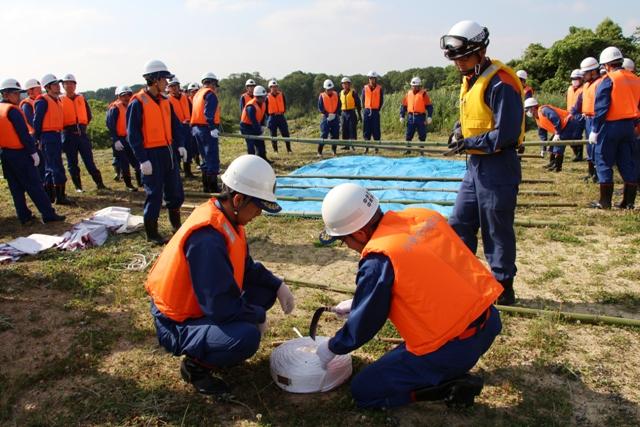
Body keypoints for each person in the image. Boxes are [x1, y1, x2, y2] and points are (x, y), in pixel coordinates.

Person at [315, 183, 502, 409]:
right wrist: (359, 303)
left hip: (454, 348)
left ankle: (444, 387)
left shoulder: (379, 260)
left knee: (364, 389)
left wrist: (333, 347)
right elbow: (426, 276)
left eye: (345, 241)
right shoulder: (423, 216)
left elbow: (364, 325)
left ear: (360, 233)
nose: (348, 246)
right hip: (489, 322)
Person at [145, 154, 295, 396]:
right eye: (258, 206)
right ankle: (195, 366)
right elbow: (221, 305)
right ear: (238, 199)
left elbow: (246, 267)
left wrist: (277, 285)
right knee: (245, 337)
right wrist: (256, 316)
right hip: (176, 322)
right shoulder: (208, 239)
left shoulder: (230, 220)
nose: (259, 214)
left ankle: (215, 345)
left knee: (265, 291)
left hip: (204, 303)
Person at [441, 20, 524, 305]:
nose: (459, 64)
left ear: (481, 51)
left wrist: (470, 143)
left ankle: (503, 286)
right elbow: (470, 117)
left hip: (499, 165)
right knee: (459, 223)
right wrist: (457, 132)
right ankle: (466, 278)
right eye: (456, 59)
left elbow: (506, 133)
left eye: (464, 57)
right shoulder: (470, 80)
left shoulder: (502, 83)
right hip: (474, 167)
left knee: (496, 228)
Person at [127, 59, 187, 244]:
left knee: (175, 191)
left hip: (168, 151)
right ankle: (152, 233)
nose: (167, 83)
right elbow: (133, 134)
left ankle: (176, 225)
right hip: (151, 154)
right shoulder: (137, 102)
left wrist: (180, 144)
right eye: (164, 79)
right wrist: (142, 159)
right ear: (155, 79)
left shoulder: (166, 101)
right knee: (154, 194)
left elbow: (175, 126)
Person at [0, 79, 65, 225]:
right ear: (6, 94)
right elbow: (23, 133)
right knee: (34, 184)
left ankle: (24, 216)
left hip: (5, 153)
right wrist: (33, 152)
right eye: (15, 93)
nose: (18, 96)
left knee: (15, 187)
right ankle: (48, 214)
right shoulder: (13, 110)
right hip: (20, 153)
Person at [589, 47, 640, 209]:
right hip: (629, 126)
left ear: (607, 65)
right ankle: (628, 202)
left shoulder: (610, 79)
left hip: (610, 125)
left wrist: (595, 129)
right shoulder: (635, 79)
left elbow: (602, 107)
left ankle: (604, 202)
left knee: (603, 159)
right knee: (627, 162)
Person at [60, 74, 106, 192]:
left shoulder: (81, 98)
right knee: (72, 162)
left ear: (75, 85)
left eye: (72, 83)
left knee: (89, 161)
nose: (69, 85)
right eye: (67, 83)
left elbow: (88, 115)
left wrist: (83, 126)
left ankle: (100, 184)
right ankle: (78, 187)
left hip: (82, 134)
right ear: (63, 86)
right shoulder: (60, 100)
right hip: (68, 134)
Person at [33, 73, 73, 205]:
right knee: (55, 167)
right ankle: (59, 197)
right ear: (48, 87)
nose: (58, 86)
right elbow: (37, 121)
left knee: (51, 167)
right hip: (48, 136)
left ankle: (51, 196)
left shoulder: (56, 100)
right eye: (55, 84)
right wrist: (37, 139)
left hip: (55, 135)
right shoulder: (43, 101)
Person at [524, 98, 578, 172]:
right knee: (551, 144)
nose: (527, 112)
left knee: (558, 145)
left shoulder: (544, 110)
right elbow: (542, 135)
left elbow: (556, 119)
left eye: (527, 110)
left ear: (533, 108)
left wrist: (558, 133)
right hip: (560, 128)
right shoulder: (537, 118)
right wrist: (543, 149)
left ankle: (558, 167)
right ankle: (552, 163)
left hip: (568, 123)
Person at [191, 72, 222, 192]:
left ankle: (206, 186)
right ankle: (213, 187)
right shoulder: (210, 94)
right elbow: (208, 114)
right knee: (212, 158)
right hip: (207, 129)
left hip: (197, 129)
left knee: (205, 158)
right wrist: (212, 127)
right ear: (212, 83)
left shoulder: (198, 94)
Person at [106, 86, 140, 192]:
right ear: (119, 97)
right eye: (123, 95)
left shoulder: (132, 106)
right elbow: (111, 125)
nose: (126, 97)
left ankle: (141, 181)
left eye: (128, 95)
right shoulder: (115, 108)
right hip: (120, 139)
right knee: (124, 162)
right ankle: (128, 184)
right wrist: (116, 140)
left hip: (131, 138)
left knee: (137, 160)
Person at [580, 56, 604, 183]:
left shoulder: (600, 83)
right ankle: (591, 173)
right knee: (589, 148)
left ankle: (598, 175)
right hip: (587, 118)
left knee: (597, 148)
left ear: (593, 72)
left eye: (585, 73)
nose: (583, 75)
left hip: (596, 119)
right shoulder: (586, 85)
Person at [168, 77, 195, 180]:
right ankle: (177, 172)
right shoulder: (167, 100)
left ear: (179, 86)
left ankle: (188, 171)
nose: (174, 88)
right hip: (175, 128)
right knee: (176, 151)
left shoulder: (185, 98)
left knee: (188, 149)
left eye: (175, 86)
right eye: (171, 86)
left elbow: (192, 110)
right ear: (169, 88)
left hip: (187, 127)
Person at [19, 78, 45, 182]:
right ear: (29, 91)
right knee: (40, 164)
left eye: (40, 88)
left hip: (41, 136)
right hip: (34, 138)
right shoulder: (27, 105)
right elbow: (31, 122)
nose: (40, 91)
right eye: (36, 89)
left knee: (45, 163)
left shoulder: (39, 101)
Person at [400, 77, 433, 155]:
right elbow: (403, 106)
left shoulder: (424, 94)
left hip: (421, 117)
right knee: (408, 134)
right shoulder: (408, 94)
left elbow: (429, 106)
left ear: (420, 86)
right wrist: (402, 115)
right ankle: (408, 150)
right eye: (414, 86)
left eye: (417, 86)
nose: (415, 87)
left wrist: (429, 116)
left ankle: (421, 150)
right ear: (411, 86)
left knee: (422, 134)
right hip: (411, 116)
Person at [240, 85, 269, 161]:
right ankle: (251, 161)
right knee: (251, 144)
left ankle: (263, 159)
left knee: (261, 143)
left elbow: (262, 116)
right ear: (258, 97)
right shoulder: (251, 106)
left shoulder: (263, 103)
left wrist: (262, 125)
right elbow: (253, 121)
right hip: (246, 127)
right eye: (263, 97)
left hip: (255, 125)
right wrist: (259, 130)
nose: (265, 98)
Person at [266, 79, 292, 155]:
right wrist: (270, 116)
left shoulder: (281, 94)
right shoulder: (267, 97)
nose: (274, 88)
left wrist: (282, 112)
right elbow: (265, 109)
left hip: (281, 116)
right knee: (273, 135)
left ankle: (289, 149)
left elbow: (284, 104)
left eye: (276, 87)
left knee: (286, 133)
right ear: (270, 88)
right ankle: (275, 151)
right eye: (272, 87)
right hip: (272, 117)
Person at [317, 79, 341, 157]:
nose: (330, 91)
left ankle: (334, 151)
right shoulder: (322, 96)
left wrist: (335, 113)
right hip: (326, 117)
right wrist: (327, 114)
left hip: (335, 117)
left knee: (335, 134)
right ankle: (319, 152)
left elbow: (339, 105)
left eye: (331, 89)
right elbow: (320, 107)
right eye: (328, 90)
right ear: (325, 89)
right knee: (324, 134)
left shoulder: (336, 95)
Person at [362, 71, 384, 153]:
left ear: (375, 79)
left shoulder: (379, 88)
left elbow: (381, 100)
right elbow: (363, 99)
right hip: (367, 110)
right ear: (369, 79)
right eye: (370, 78)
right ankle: (366, 147)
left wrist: (378, 109)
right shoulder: (365, 88)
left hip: (375, 111)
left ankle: (376, 147)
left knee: (376, 129)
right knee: (366, 129)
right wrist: (364, 109)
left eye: (373, 78)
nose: (372, 80)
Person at [566, 69, 585, 161]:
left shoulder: (584, 89)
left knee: (577, 136)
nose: (574, 80)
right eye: (573, 78)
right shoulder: (570, 89)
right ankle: (576, 153)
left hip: (580, 115)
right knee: (569, 135)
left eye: (576, 78)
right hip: (569, 114)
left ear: (581, 79)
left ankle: (579, 155)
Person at [339, 76, 362, 150]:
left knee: (352, 128)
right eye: (343, 84)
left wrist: (359, 115)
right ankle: (346, 145)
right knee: (344, 128)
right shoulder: (340, 93)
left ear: (349, 84)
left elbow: (358, 104)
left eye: (347, 84)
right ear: (342, 85)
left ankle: (353, 145)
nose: (345, 85)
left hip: (351, 112)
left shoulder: (353, 93)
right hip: (343, 113)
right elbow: (339, 104)